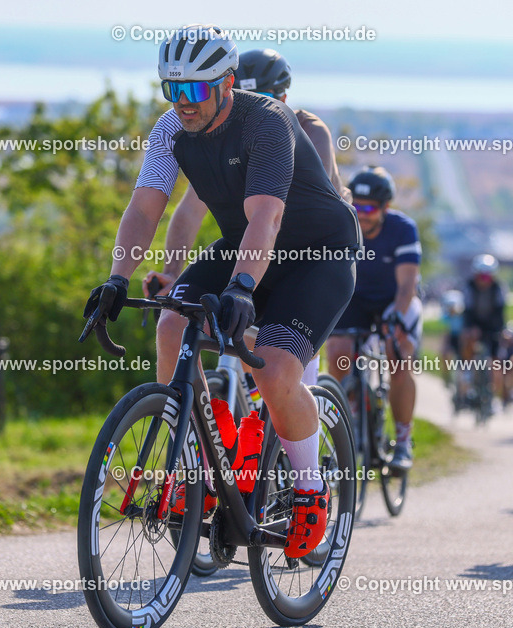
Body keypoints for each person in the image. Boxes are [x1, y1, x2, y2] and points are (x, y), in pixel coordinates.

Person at [85, 25, 360, 558]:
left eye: (192, 90)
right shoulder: (170, 130)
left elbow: (267, 215)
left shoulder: (269, 121)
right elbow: (145, 208)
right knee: (171, 323)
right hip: (248, 245)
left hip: (317, 254)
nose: (181, 103)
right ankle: (204, 458)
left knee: (274, 367)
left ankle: (310, 491)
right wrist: (118, 277)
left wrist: (240, 287)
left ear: (227, 83)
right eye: (171, 90)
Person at [144, 46, 351, 393]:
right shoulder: (225, 127)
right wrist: (172, 271)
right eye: (247, 94)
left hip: (310, 252)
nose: (253, 103)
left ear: (283, 96)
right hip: (254, 247)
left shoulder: (307, 128)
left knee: (283, 369)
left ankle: (300, 423)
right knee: (190, 325)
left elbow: (302, 206)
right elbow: (189, 211)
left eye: (265, 96)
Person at [327, 165, 422, 470]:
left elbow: (407, 284)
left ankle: (404, 441)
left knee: (398, 357)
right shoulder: (340, 224)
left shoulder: (402, 229)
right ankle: (348, 423)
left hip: (392, 299)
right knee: (338, 353)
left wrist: (396, 316)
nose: (362, 213)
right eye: (356, 206)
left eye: (369, 208)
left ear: (385, 207)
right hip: (352, 298)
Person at [458, 254, 507, 410]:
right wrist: (471, 328)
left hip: (492, 324)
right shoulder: (469, 287)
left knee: (495, 361)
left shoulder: (499, 288)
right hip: (475, 322)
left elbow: (500, 312)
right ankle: (468, 371)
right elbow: (468, 311)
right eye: (481, 276)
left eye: (488, 277)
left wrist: (500, 331)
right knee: (468, 339)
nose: (484, 280)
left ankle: (491, 395)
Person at [439, 289, 465, 388]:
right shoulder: (446, 316)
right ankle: (446, 376)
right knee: (445, 354)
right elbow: (446, 331)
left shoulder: (464, 316)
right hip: (452, 337)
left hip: (461, 338)